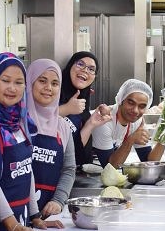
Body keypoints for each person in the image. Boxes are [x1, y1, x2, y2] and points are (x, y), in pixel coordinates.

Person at [0, 53, 57, 231]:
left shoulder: (20, 119)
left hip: (20, 218)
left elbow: (26, 169)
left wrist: (34, 216)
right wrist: (12, 225)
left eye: (19, 82)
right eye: (5, 81)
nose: (12, 88)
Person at [28, 59, 112, 217]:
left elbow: (69, 167)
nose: (48, 88)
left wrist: (58, 200)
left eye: (54, 83)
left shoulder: (63, 126)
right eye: (42, 81)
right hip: (16, 211)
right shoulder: (16, 123)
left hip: (48, 211)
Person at [91, 79, 165, 168]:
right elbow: (110, 167)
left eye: (142, 106)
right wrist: (131, 140)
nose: (135, 111)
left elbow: (149, 163)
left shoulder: (137, 122)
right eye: (131, 103)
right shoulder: (104, 120)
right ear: (121, 100)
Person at [58, 51, 100, 167]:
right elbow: (37, 118)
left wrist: (91, 123)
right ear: (70, 66)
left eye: (91, 69)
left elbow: (78, 151)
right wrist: (66, 109)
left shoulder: (83, 104)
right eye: (80, 64)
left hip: (70, 173)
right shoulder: (53, 93)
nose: (85, 70)